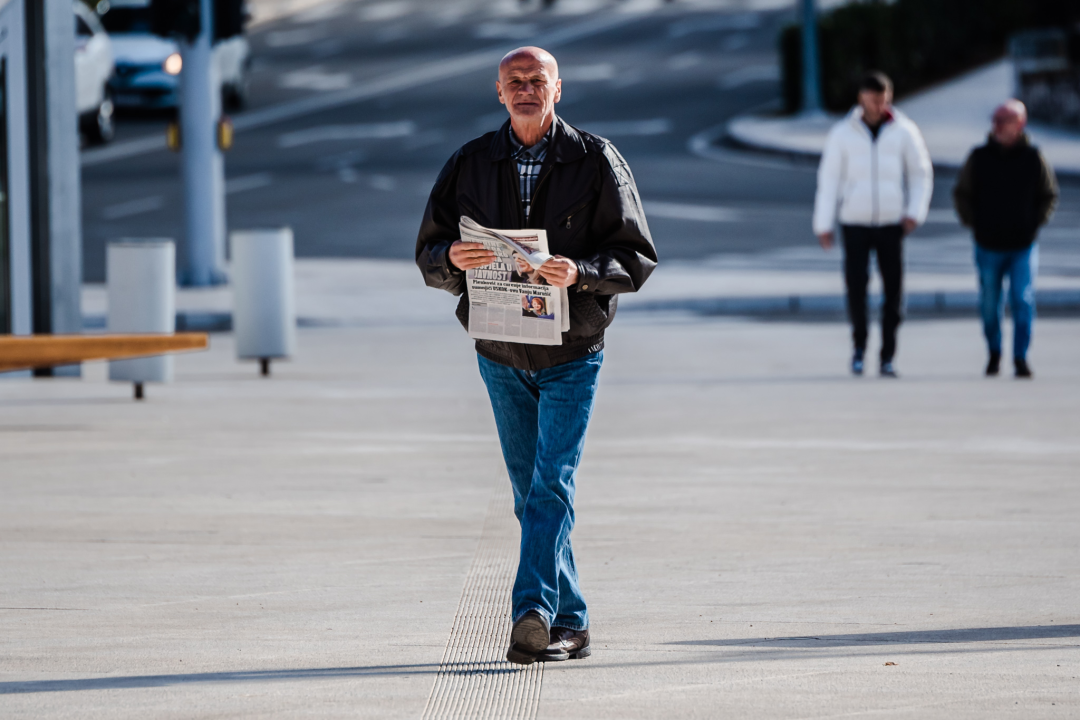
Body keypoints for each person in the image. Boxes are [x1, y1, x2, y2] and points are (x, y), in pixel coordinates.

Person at [416, 47, 656, 665]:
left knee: (552, 484)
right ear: (499, 92)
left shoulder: (596, 160)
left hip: (573, 351)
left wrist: (581, 271)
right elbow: (428, 251)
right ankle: (572, 621)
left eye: (537, 81)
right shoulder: (469, 163)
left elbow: (635, 257)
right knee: (531, 495)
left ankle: (532, 612)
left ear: (557, 89)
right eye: (514, 82)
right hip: (499, 352)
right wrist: (450, 261)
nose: (526, 90)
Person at [813, 71, 933, 377]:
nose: (878, 106)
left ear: (889, 98)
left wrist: (914, 212)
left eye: (882, 99)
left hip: (891, 221)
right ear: (861, 99)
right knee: (856, 288)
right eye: (872, 99)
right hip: (854, 221)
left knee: (893, 290)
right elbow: (829, 180)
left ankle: (887, 356)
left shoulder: (904, 131)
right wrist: (823, 223)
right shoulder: (842, 133)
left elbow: (920, 173)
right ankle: (858, 348)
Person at [953, 100, 1058, 379]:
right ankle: (994, 351)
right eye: (996, 120)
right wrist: (973, 223)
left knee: (1023, 300)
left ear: (1020, 124)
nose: (998, 126)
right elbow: (962, 193)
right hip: (988, 244)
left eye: (1005, 120)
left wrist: (1035, 223)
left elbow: (1049, 194)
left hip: (1023, 244)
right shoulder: (979, 157)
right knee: (989, 303)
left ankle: (1021, 357)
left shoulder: (1034, 157)